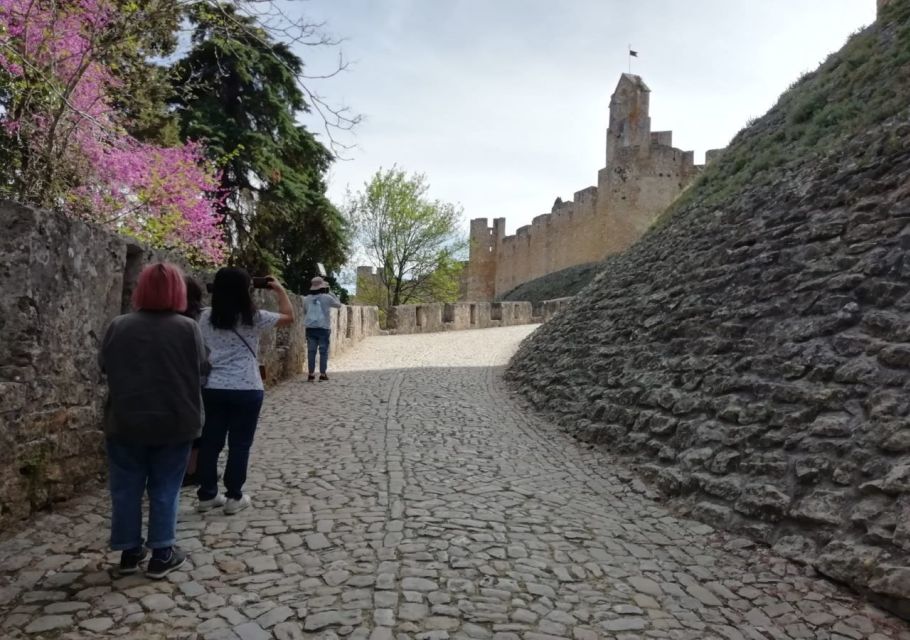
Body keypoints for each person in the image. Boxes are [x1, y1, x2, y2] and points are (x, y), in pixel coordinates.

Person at [98, 262, 206, 579]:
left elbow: (103, 365)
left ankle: (130, 551)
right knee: (165, 488)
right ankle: (162, 553)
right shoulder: (188, 329)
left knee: (126, 488)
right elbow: (203, 366)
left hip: (126, 420)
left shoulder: (119, 326)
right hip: (175, 420)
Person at [195, 268, 294, 515]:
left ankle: (207, 495)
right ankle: (234, 497)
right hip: (246, 388)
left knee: (210, 443)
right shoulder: (254, 317)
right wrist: (279, 289)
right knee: (239, 445)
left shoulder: (204, 317)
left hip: (214, 387)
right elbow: (289, 316)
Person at [181, 275, 208, 487]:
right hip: (196, 381)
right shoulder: (200, 319)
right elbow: (204, 358)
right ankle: (193, 469)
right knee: (198, 428)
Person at [303, 276, 342, 382]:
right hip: (323, 329)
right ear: (322, 287)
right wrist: (331, 292)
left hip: (310, 329)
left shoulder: (306, 299)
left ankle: (311, 374)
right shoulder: (327, 298)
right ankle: (323, 374)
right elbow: (338, 305)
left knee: (311, 352)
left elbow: (305, 312)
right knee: (323, 352)